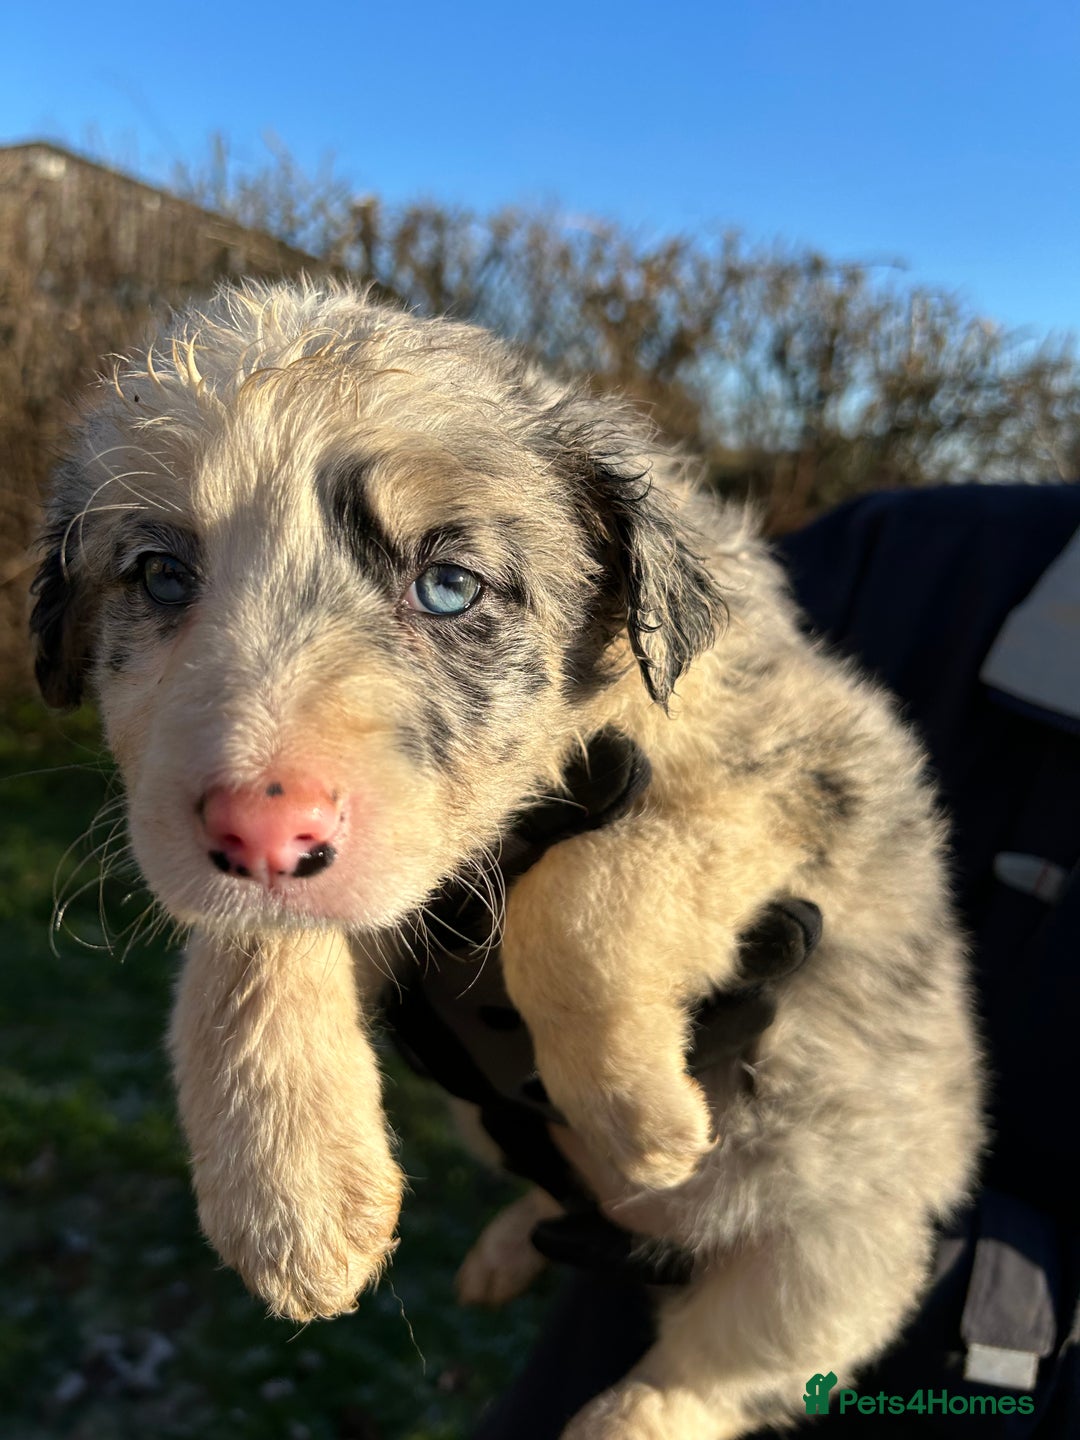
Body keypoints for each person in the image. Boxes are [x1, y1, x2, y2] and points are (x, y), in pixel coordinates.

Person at [395, 482, 1080, 1439]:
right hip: (613, 1276)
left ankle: (697, 1383)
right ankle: (556, 1208)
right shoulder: (908, 553)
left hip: (952, 1370)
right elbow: (671, 746)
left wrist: (927, 1268)